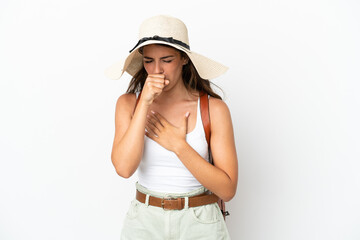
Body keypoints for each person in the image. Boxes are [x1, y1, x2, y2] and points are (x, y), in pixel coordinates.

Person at [105, 15, 238, 240]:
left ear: (184, 59)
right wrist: (145, 102)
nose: (157, 70)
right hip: (145, 221)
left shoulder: (213, 109)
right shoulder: (129, 104)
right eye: (149, 61)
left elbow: (227, 190)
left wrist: (178, 145)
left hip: (200, 221)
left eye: (167, 60)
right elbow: (124, 169)